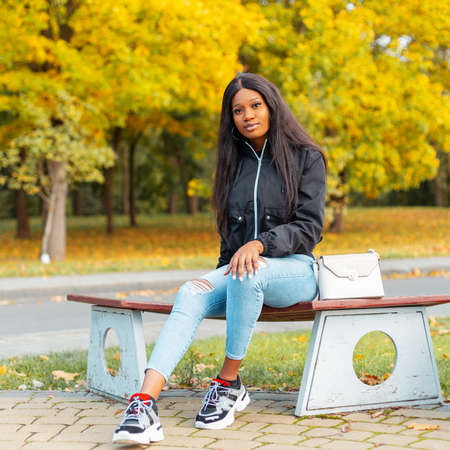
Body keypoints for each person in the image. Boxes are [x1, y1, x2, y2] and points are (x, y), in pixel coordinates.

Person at [112, 72, 327, 445]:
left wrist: (260, 244)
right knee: (191, 291)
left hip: (294, 270)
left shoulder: (307, 157)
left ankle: (228, 383)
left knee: (248, 273)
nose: (247, 115)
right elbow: (230, 241)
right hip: (241, 268)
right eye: (238, 110)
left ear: (271, 105)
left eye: (255, 106)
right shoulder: (232, 165)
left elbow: (310, 227)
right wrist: (216, 279)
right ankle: (144, 404)